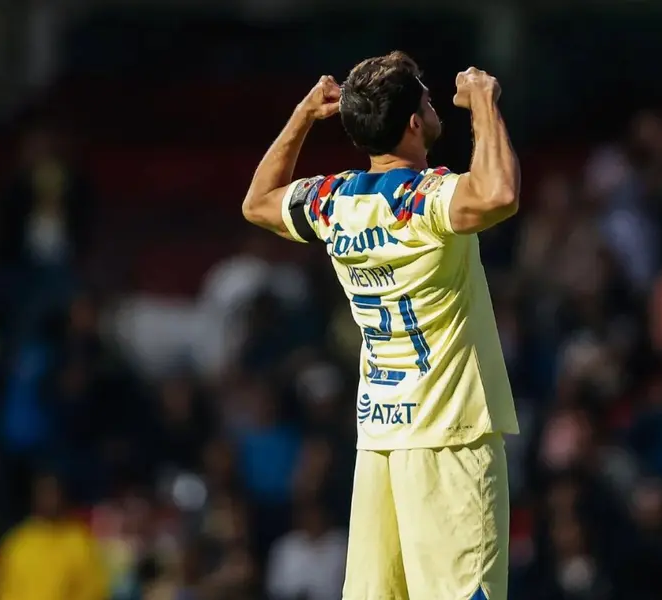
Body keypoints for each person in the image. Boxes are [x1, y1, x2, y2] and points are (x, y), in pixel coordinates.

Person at [242, 51, 520, 600]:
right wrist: (485, 103)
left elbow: (258, 202)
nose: (434, 104)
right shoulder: (425, 200)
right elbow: (500, 194)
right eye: (428, 100)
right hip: (449, 438)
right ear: (414, 123)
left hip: (380, 441)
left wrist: (302, 116)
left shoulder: (335, 203)